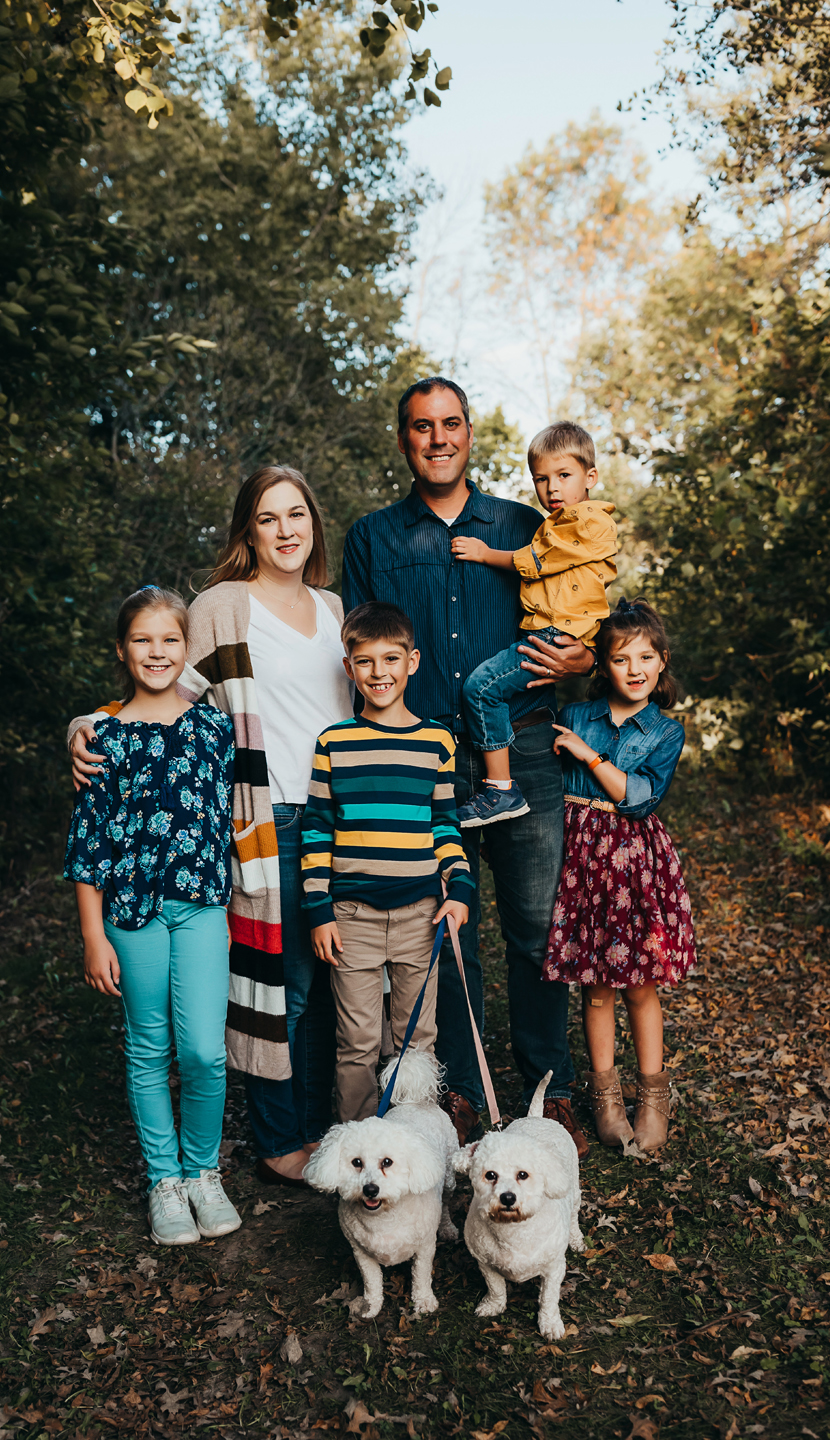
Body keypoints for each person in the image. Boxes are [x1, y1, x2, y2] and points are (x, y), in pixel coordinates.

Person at [68, 467, 353, 1187]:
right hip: (269, 820)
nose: (286, 530)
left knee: (334, 981)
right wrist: (88, 724)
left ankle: (325, 1131)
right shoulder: (224, 606)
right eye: (268, 517)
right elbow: (165, 690)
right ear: (247, 531)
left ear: (314, 523)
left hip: (338, 817)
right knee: (281, 986)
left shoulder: (333, 608)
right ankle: (280, 1141)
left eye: (297, 514)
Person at [341, 377, 594, 1156]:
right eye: (422, 427)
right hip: (423, 758)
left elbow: (581, 614)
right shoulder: (374, 537)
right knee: (446, 929)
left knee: (535, 926)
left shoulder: (523, 525)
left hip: (522, 750)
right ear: (403, 440)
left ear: (470, 433)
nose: (438, 438)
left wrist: (585, 658)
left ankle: (548, 1089)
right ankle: (458, 1090)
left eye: (451, 423)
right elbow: (355, 654)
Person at [64, 586, 239, 1245]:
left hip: (200, 908)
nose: (157, 652)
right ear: (122, 650)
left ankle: (202, 1172)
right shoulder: (101, 738)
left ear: (186, 648)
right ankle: (165, 1182)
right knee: (148, 1045)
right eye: (143, 640)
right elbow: (88, 844)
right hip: (131, 913)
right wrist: (92, 935)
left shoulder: (213, 728)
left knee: (203, 1052)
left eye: (169, 640)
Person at [301, 601, 473, 1121]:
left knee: (415, 1041)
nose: (379, 672)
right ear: (349, 668)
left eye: (391, 659)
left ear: (412, 662)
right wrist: (318, 909)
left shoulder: (436, 742)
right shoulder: (335, 742)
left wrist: (460, 887)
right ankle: (356, 1148)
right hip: (351, 919)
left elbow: (445, 824)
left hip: (421, 916)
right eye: (366, 661)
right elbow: (317, 829)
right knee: (356, 1041)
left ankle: (415, 1142)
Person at [543, 598, 696, 1152]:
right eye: (621, 658)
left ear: (662, 662)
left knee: (639, 984)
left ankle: (653, 1096)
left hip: (633, 864)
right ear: (603, 665)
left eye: (646, 657)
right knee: (597, 985)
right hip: (581, 860)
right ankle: (606, 1098)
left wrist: (587, 757)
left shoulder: (665, 731)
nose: (635, 669)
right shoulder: (575, 715)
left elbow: (639, 797)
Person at [453, 421, 618, 828]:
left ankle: (500, 788)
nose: (552, 488)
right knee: (488, 688)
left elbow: (535, 561)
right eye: (541, 479)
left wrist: (484, 553)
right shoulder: (559, 522)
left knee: (481, 689)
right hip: (549, 631)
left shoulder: (588, 524)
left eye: (564, 475)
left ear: (590, 477)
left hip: (554, 635)